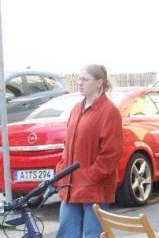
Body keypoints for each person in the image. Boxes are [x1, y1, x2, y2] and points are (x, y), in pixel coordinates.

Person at [55, 64, 123, 238]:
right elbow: (68, 144)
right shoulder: (77, 108)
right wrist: (61, 170)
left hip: (95, 190)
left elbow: (111, 154)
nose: (79, 83)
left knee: (94, 235)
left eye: (85, 79)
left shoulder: (109, 111)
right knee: (66, 235)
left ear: (99, 82)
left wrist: (89, 176)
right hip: (70, 187)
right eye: (79, 78)